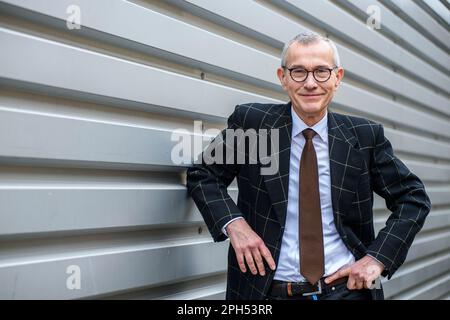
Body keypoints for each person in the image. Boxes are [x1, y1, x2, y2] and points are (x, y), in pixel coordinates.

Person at [186, 32, 431, 300]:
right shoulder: (254, 125)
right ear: (283, 77)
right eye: (299, 71)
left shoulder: (364, 136)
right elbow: (204, 175)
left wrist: (377, 258)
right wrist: (235, 224)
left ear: (338, 78)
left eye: (322, 71)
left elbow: (412, 197)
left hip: (346, 292)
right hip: (266, 292)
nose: (311, 83)